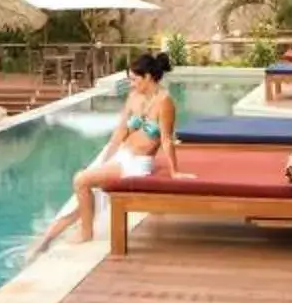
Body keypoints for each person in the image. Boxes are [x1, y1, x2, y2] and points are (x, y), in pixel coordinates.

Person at [33, 51, 185, 254]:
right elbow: (120, 132)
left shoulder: (165, 102)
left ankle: (86, 234)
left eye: (134, 79)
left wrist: (175, 171)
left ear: (147, 77)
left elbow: (166, 139)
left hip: (137, 164)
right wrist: (104, 159)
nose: (131, 84)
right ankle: (45, 241)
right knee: (82, 196)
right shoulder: (134, 97)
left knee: (81, 180)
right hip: (121, 156)